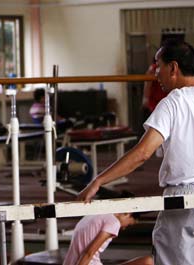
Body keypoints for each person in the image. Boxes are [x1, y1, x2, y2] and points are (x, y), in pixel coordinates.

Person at [78, 38, 194, 265]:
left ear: (173, 68)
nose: (155, 74)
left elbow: (142, 153)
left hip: (182, 197)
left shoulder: (173, 103)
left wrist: (99, 181)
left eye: (158, 66)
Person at [63, 212, 153, 265]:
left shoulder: (94, 214)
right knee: (148, 262)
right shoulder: (113, 222)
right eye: (129, 224)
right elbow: (88, 253)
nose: (124, 228)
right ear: (128, 214)